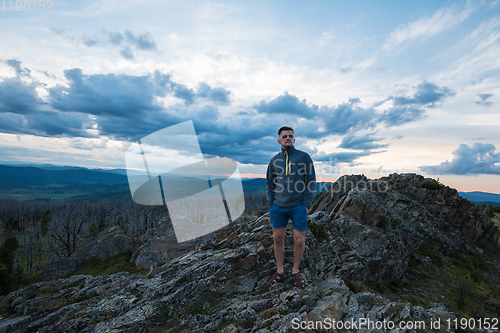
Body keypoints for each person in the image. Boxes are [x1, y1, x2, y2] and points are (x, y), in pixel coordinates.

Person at [265, 126, 316, 289]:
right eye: (284, 136)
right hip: (278, 206)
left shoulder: (304, 157)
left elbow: (311, 180)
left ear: (294, 139)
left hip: (298, 206)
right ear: (279, 140)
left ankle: (295, 271)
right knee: (277, 238)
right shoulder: (274, 160)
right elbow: (269, 183)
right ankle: (280, 271)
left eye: (290, 136)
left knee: (299, 239)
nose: (288, 138)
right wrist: (271, 204)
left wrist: (306, 205)